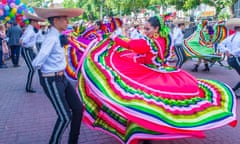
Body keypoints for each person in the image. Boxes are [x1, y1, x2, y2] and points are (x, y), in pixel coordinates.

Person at [76, 15, 236, 144]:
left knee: (139, 100)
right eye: (144, 28)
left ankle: (145, 130)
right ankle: (147, 129)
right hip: (160, 70)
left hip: (152, 74)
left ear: (156, 28)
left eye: (148, 28)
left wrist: (113, 39)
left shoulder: (151, 41)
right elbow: (140, 49)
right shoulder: (163, 39)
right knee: (150, 104)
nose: (145, 31)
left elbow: (133, 45)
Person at [32, 5, 84, 144]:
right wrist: (45, 72)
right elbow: (38, 60)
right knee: (65, 116)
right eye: (64, 19)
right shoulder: (51, 38)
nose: (67, 22)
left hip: (62, 78)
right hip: (52, 79)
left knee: (78, 109)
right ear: (55, 20)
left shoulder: (58, 36)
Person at [20, 12, 45, 93]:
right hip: (27, 50)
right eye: (36, 22)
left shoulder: (30, 30)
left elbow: (22, 39)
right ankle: (28, 87)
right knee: (32, 69)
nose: (37, 23)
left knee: (37, 66)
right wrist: (23, 42)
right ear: (33, 22)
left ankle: (40, 83)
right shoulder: (30, 31)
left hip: (29, 50)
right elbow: (23, 41)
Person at [218, 18, 240, 97]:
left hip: (231, 59)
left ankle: (234, 89)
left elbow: (220, 45)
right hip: (236, 58)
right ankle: (234, 90)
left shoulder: (231, 37)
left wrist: (226, 51)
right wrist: (230, 52)